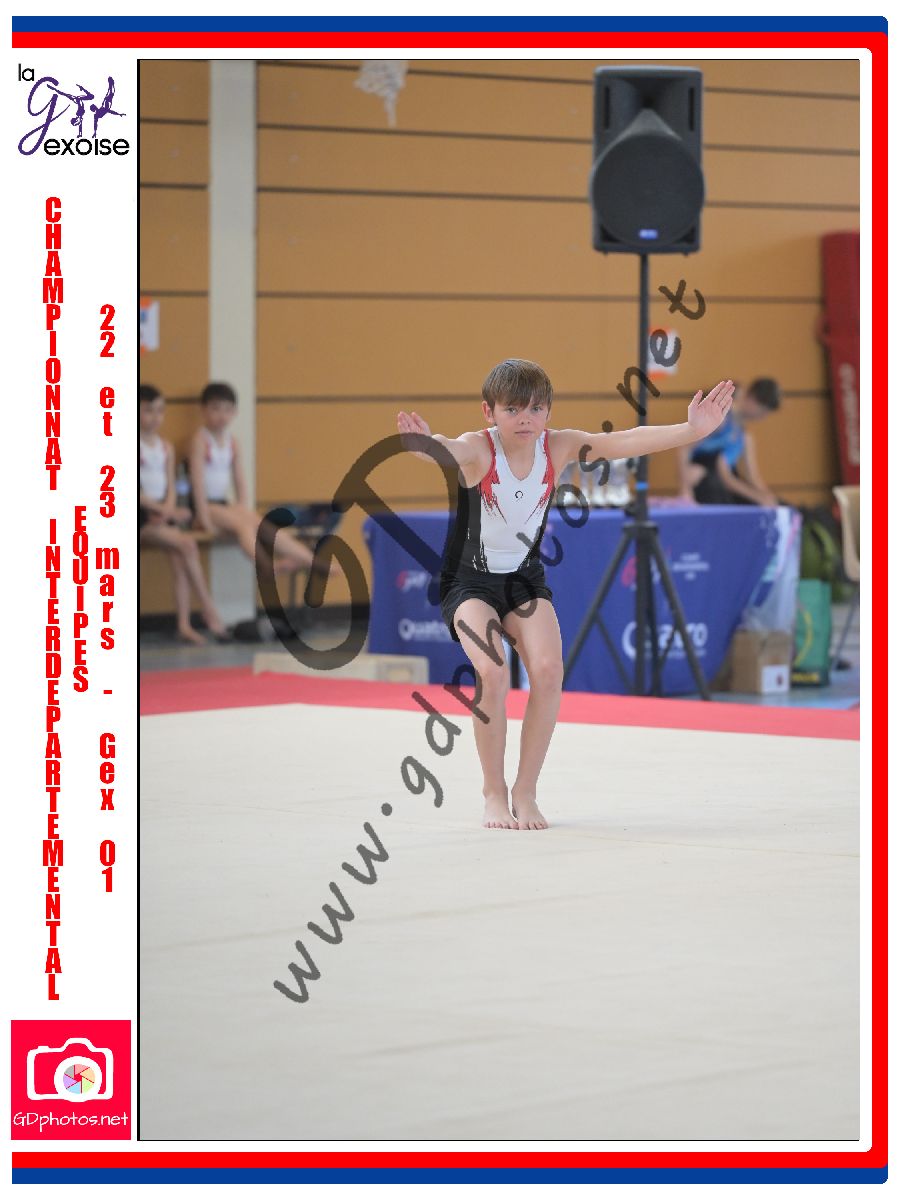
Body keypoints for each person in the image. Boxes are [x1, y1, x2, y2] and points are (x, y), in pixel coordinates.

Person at [397, 359, 734, 832]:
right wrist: (423, 446)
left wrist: (691, 430)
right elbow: (447, 450)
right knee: (492, 672)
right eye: (513, 409)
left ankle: (525, 790)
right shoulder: (478, 448)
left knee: (549, 671)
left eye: (536, 409)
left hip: (524, 579)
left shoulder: (558, 446)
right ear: (489, 411)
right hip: (468, 582)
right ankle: (493, 792)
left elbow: (626, 442)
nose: (526, 419)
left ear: (549, 412)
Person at [188, 382, 339, 578]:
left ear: (234, 412)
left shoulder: (232, 442)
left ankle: (312, 561)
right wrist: (203, 518)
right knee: (243, 526)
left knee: (262, 525)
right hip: (204, 507)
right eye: (215, 409)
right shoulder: (200, 441)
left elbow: (240, 480)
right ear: (203, 410)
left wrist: (243, 507)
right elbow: (197, 483)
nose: (222, 416)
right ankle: (267, 566)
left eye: (227, 410)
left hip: (223, 505)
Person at [139, 384, 230, 645]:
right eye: (148, 411)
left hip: (159, 515)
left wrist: (168, 510)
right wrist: (162, 510)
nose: (155, 417)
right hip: (140, 516)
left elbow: (170, 486)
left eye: (160, 411)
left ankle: (183, 624)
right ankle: (209, 608)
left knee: (180, 557)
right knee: (187, 544)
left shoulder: (165, 447)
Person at [676, 378, 781, 506]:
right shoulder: (721, 422)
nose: (763, 417)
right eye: (763, 411)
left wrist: (767, 496)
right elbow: (684, 448)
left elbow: (750, 476)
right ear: (751, 399)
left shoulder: (743, 436)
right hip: (707, 479)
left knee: (774, 504)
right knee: (707, 478)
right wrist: (685, 489)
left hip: (720, 478)